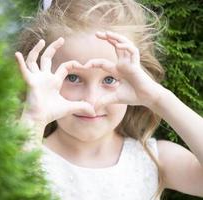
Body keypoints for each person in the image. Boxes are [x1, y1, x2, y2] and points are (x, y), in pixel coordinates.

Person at [14, 0, 203, 199]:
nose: (92, 101)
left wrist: (157, 98)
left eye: (109, 79)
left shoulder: (156, 159)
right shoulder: (28, 154)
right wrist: (34, 117)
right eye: (73, 77)